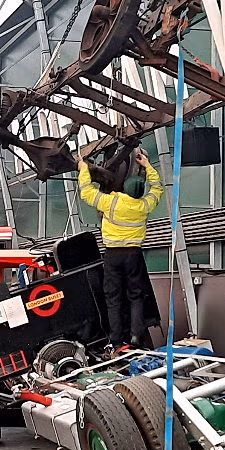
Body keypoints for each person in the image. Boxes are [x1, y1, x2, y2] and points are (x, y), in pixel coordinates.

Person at [77, 148, 163, 350]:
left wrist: (83, 169)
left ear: (124, 187)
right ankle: (135, 336)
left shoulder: (111, 201)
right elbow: (157, 188)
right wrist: (148, 167)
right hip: (134, 255)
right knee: (136, 296)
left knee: (113, 298)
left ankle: (116, 340)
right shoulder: (144, 205)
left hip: (113, 256)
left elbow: (87, 192)